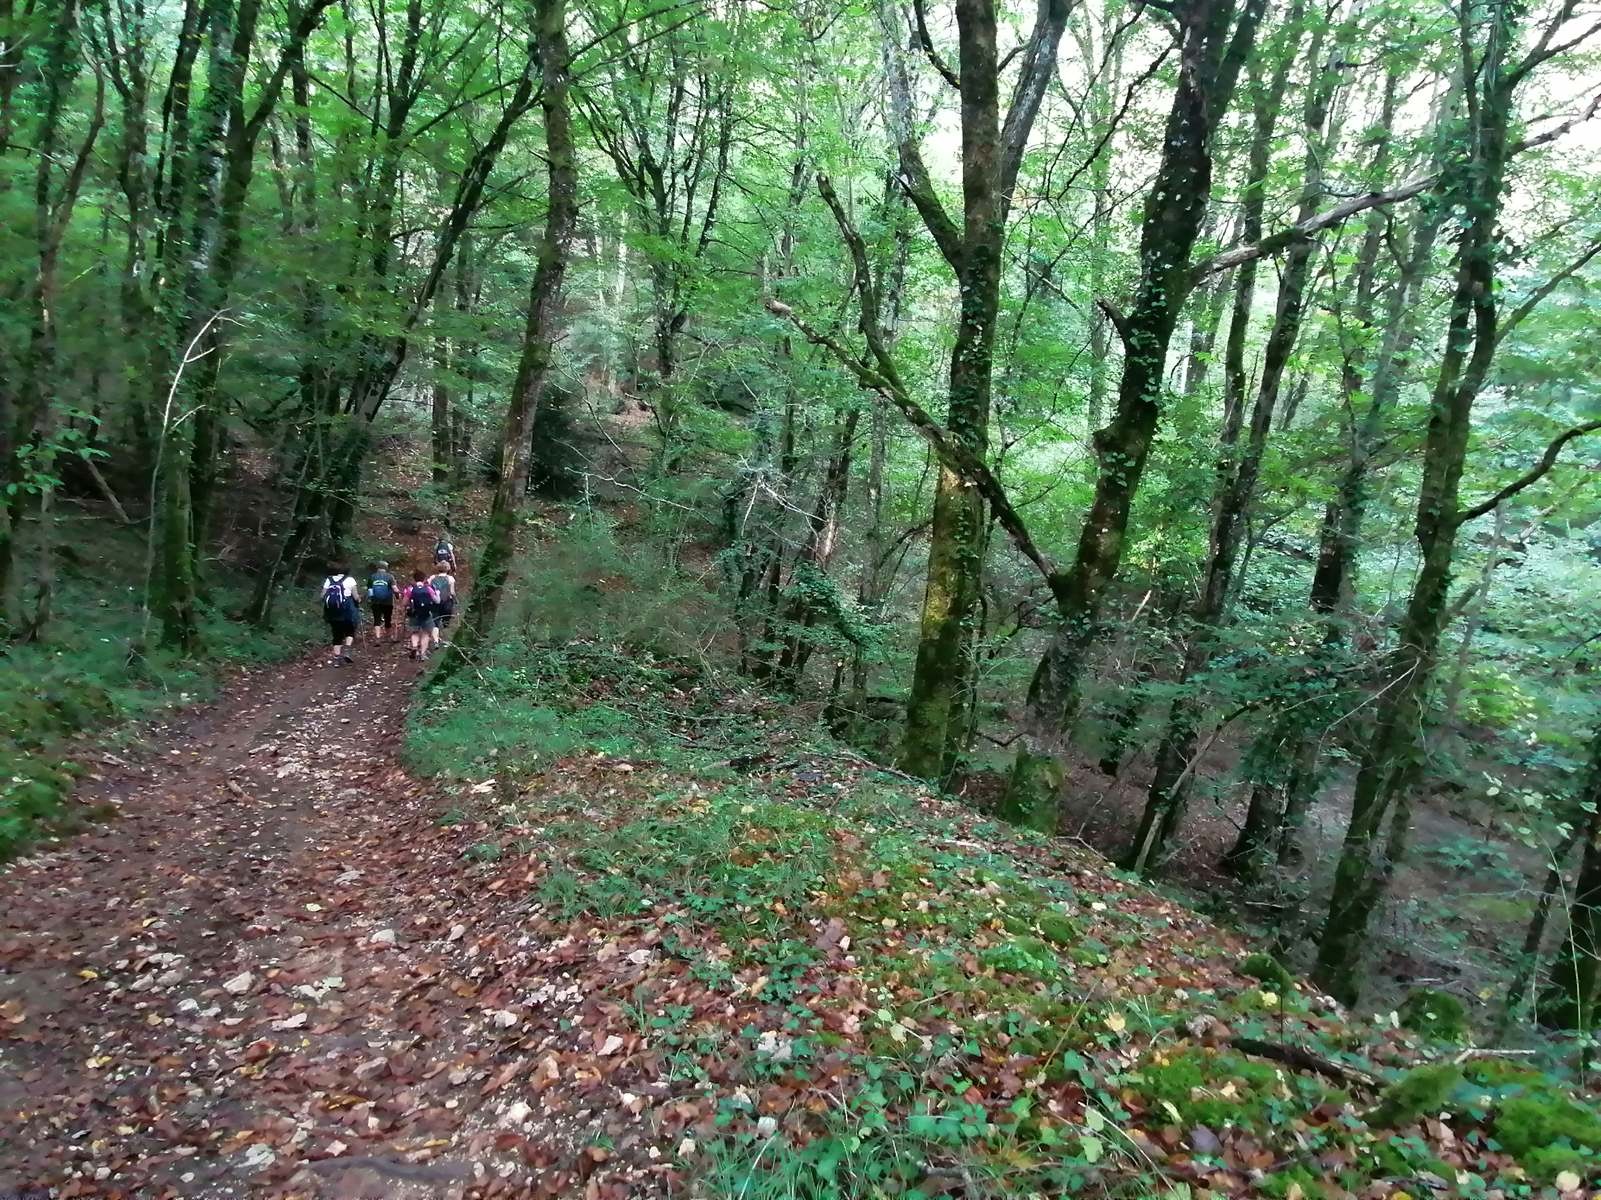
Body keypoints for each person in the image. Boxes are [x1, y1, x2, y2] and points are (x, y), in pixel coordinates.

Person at [320, 568, 361, 666]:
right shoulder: (350, 580)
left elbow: (322, 596)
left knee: (336, 634)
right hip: (346, 610)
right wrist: (359, 599)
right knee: (350, 630)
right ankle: (347, 650)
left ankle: (336, 659)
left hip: (332, 612)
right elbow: (355, 597)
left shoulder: (329, 580)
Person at [402, 569, 439, 661]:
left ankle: (414, 646)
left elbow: (404, 603)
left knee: (415, 632)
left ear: (414, 579)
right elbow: (437, 601)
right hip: (426, 614)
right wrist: (437, 594)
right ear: (424, 579)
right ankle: (422, 654)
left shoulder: (410, 589)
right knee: (426, 634)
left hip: (414, 614)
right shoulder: (428, 589)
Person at [427, 562, 457, 648]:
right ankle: (444, 640)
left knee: (435, 622)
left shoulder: (432, 578)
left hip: (435, 602)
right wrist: (455, 600)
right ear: (448, 569)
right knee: (446, 622)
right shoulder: (450, 579)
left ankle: (436, 641)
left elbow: (429, 589)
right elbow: (452, 592)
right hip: (446, 602)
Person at [368, 561, 396, 643]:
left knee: (377, 619)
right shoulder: (390, 576)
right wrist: (398, 595)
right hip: (387, 601)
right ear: (386, 568)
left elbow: (370, 590)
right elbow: (394, 588)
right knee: (388, 618)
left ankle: (378, 637)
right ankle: (389, 636)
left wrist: (370, 599)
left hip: (375, 601)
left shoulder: (372, 577)